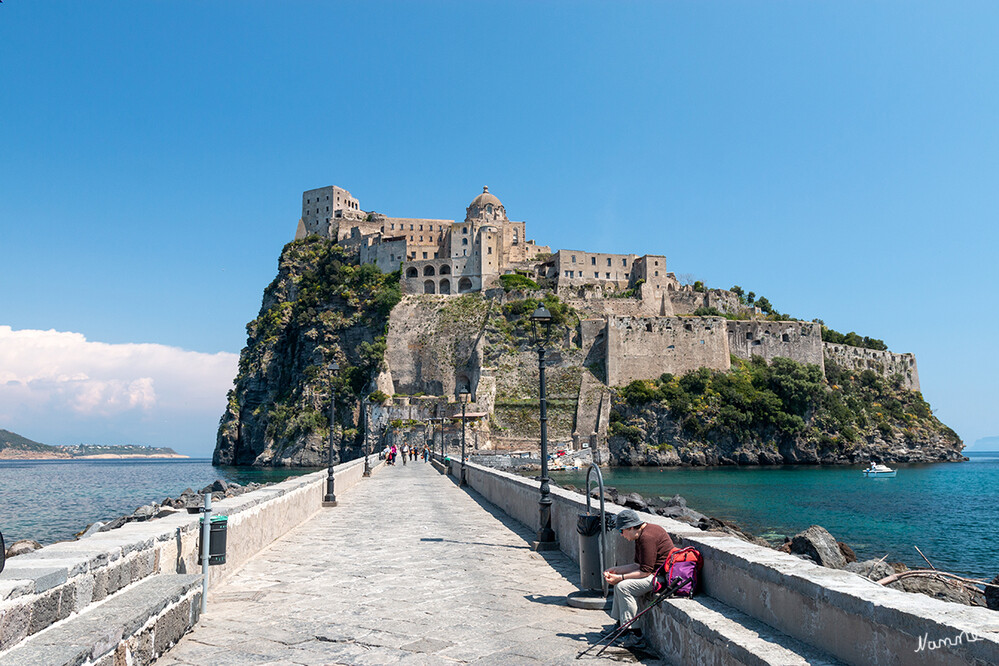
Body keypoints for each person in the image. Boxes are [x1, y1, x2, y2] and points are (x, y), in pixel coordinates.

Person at [603, 509, 675, 649]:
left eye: (621, 531)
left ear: (630, 527)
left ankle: (634, 635)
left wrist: (620, 577)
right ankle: (621, 626)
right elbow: (637, 565)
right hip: (652, 573)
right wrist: (615, 570)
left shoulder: (647, 537)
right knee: (620, 585)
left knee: (623, 586)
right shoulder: (640, 534)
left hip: (661, 577)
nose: (621, 535)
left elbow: (645, 571)